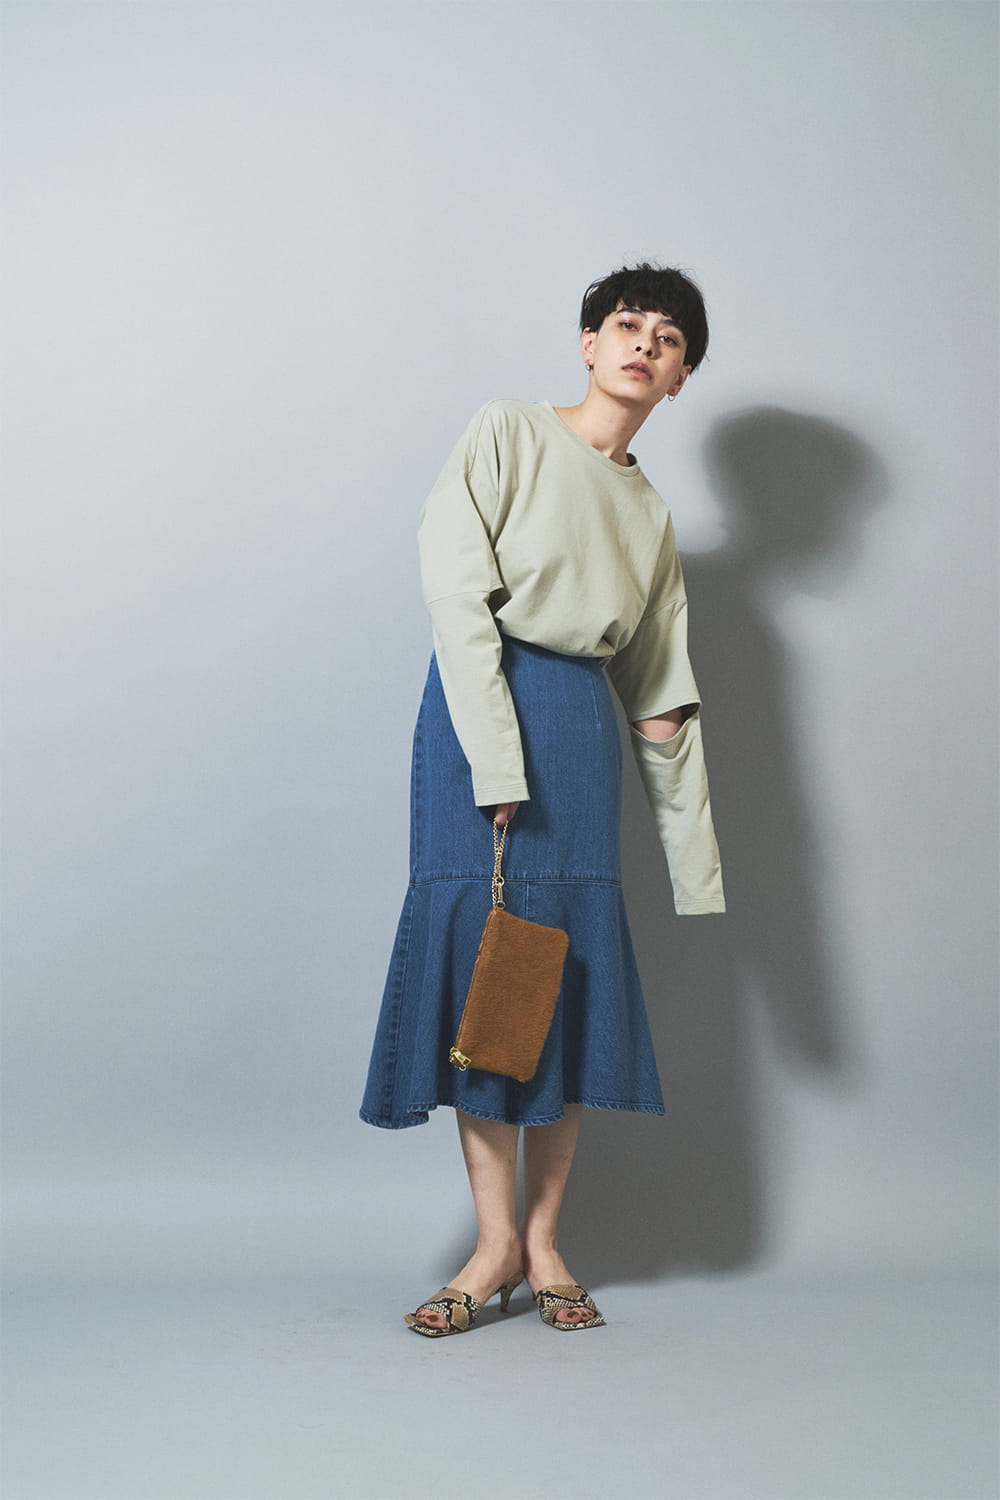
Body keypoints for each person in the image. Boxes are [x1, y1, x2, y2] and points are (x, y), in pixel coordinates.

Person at [359, 262, 726, 1334]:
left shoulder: (650, 514)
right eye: (627, 324)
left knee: (555, 969)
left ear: (681, 377)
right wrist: (495, 759)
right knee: (490, 967)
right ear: (587, 342)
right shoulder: (507, 430)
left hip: (576, 724)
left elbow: (660, 696)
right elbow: (454, 591)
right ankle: (492, 1249)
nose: (643, 344)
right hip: (481, 701)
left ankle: (546, 1241)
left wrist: (694, 867)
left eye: (667, 338)